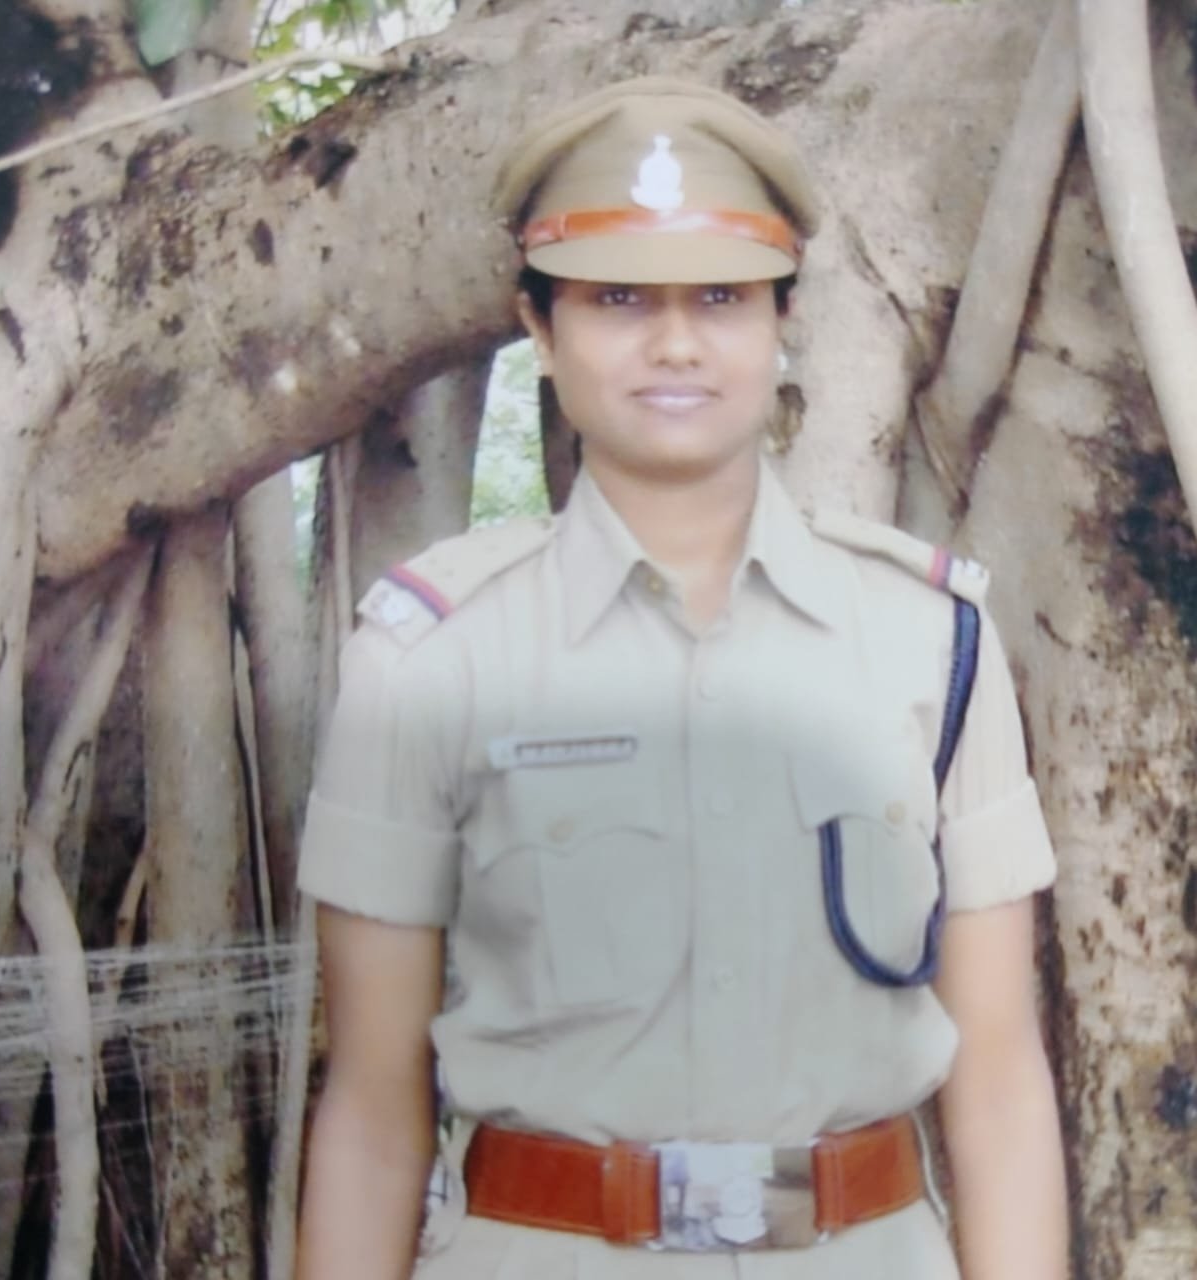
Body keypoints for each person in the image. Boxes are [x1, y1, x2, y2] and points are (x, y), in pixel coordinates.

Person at [294, 77, 1068, 1280]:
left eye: (720, 296)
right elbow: (371, 1106)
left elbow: (1001, 1081)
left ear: (781, 320)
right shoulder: (430, 659)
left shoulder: (933, 641)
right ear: (538, 326)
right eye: (616, 298)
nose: (675, 344)